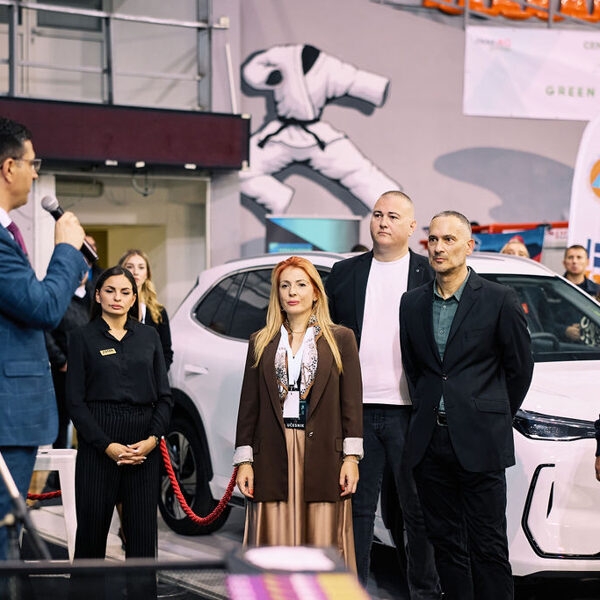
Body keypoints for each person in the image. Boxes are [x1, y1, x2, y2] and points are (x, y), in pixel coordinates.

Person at [399, 211, 534, 600]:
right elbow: (416, 369)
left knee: (488, 547)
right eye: (433, 239)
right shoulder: (411, 303)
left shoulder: (498, 299)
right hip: (430, 443)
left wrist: (491, 414)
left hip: (481, 439)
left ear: (469, 246)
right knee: (446, 545)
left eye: (449, 239)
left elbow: (520, 369)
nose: (439, 248)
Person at [325, 190, 440, 596]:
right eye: (377, 214)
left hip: (410, 411)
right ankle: (352, 590)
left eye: (393, 216)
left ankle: (424, 593)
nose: (383, 222)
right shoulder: (344, 273)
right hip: (356, 410)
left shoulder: (430, 273)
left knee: (417, 511)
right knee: (356, 510)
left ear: (412, 226)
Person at [234, 256, 363, 571]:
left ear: (316, 292)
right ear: (277, 293)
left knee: (321, 543)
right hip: (273, 453)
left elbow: (351, 403)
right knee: (274, 542)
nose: (292, 292)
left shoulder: (340, 339)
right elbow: (249, 406)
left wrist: (351, 458)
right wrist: (244, 461)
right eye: (285, 285)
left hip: (322, 453)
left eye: (301, 284)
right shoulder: (260, 341)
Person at [0, 117, 87, 560]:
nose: (36, 174)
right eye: (32, 164)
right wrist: (67, 249)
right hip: (7, 413)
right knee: (3, 536)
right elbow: (43, 308)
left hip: (12, 412)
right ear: (8, 167)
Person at [65, 266, 172, 596]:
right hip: (99, 445)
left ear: (134, 297)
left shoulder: (149, 337)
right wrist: (106, 445)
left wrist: (152, 440)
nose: (118, 298)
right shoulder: (81, 337)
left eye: (125, 292)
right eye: (110, 291)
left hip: (143, 446)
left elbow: (165, 397)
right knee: (91, 538)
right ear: (98, 295)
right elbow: (75, 402)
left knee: (142, 541)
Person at [44, 273, 91, 449]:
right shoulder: (59, 297)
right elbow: (46, 331)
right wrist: (61, 360)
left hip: (92, 370)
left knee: (91, 421)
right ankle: (60, 466)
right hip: (65, 369)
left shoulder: (96, 295)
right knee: (62, 421)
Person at [119, 249, 173, 370]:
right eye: (130, 267)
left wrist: (155, 375)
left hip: (150, 377)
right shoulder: (113, 307)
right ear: (121, 271)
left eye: (141, 267)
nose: (135, 272)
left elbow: (166, 352)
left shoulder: (158, 311)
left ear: (147, 274)